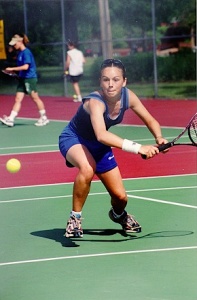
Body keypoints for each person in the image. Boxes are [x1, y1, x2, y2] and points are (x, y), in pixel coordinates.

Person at [59, 59, 168, 238]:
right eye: (105, 80)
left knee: (120, 198)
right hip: (74, 138)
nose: (110, 85)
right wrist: (138, 147)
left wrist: (159, 137)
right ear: (100, 82)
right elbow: (101, 134)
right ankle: (75, 219)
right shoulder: (95, 102)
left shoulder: (128, 96)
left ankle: (119, 215)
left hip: (99, 146)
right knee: (87, 168)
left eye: (116, 79)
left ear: (124, 81)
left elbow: (150, 120)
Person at [0, 33, 49, 127]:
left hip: (30, 79)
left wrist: (12, 69)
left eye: (15, 43)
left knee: (35, 98)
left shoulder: (26, 52)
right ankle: (11, 119)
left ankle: (44, 117)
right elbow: (22, 68)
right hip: (23, 79)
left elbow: (26, 67)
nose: (14, 45)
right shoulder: (20, 53)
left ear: (20, 41)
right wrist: (14, 73)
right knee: (17, 99)